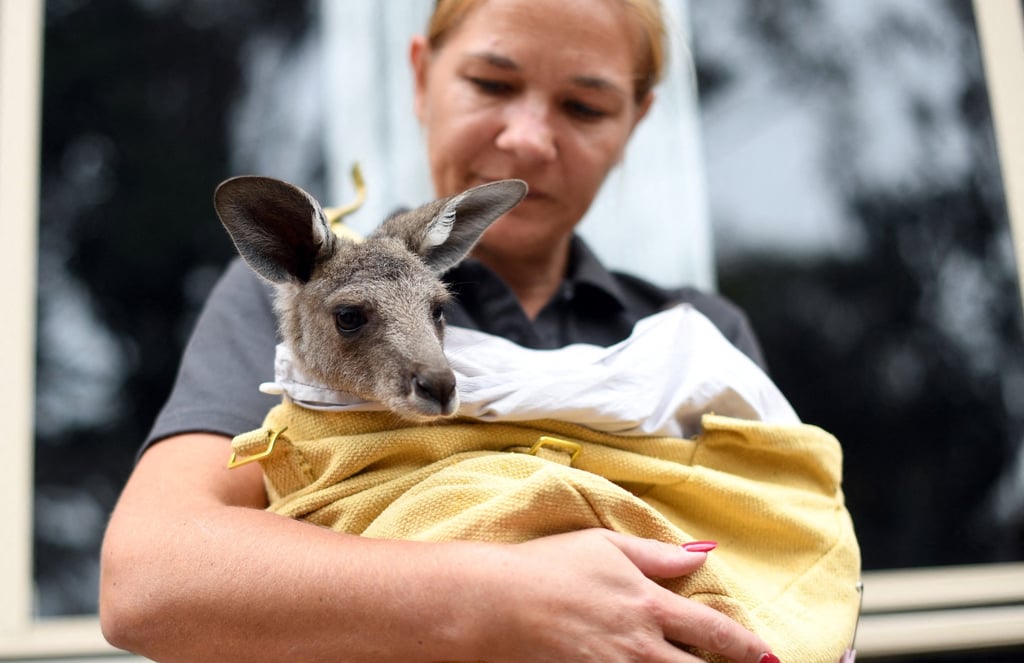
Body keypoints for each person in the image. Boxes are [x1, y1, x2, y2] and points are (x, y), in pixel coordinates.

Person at [99, 1, 780, 661]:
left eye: (584, 106)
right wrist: (504, 598)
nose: (527, 140)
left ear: (635, 122)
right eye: (491, 83)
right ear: (422, 78)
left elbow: (780, 560)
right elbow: (147, 580)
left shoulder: (691, 339)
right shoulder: (295, 304)